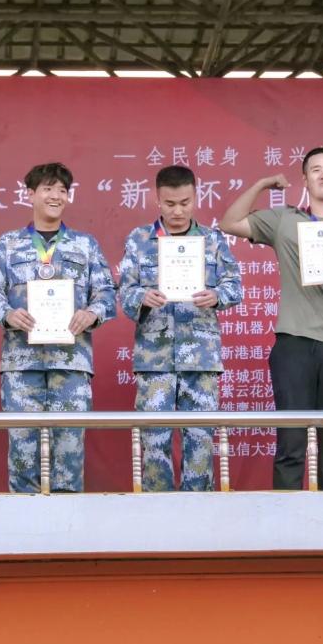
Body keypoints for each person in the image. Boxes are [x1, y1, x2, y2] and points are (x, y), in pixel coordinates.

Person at [219, 147, 323, 491]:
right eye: (316, 169)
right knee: (291, 445)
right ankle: (287, 519)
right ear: (305, 179)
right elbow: (229, 222)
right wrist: (263, 184)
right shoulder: (285, 220)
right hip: (293, 343)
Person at [0, 162, 116, 493]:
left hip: (71, 364)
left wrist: (92, 314)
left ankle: (67, 522)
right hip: (21, 364)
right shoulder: (8, 244)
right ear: (30, 194)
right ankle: (25, 522)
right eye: (48, 189)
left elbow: (107, 293)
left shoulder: (85, 245)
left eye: (62, 190)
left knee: (69, 452)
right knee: (23, 452)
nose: (56, 196)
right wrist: (7, 314)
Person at [117, 165, 242, 491]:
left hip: (201, 356)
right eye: (170, 203)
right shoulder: (139, 239)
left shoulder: (212, 240)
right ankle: (157, 511)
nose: (177, 211)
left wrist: (216, 296)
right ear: (157, 199)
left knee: (200, 441)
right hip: (154, 357)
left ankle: (198, 512)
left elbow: (235, 286)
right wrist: (142, 297)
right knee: (153, 442)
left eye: (185, 203)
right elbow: (124, 292)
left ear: (196, 198)